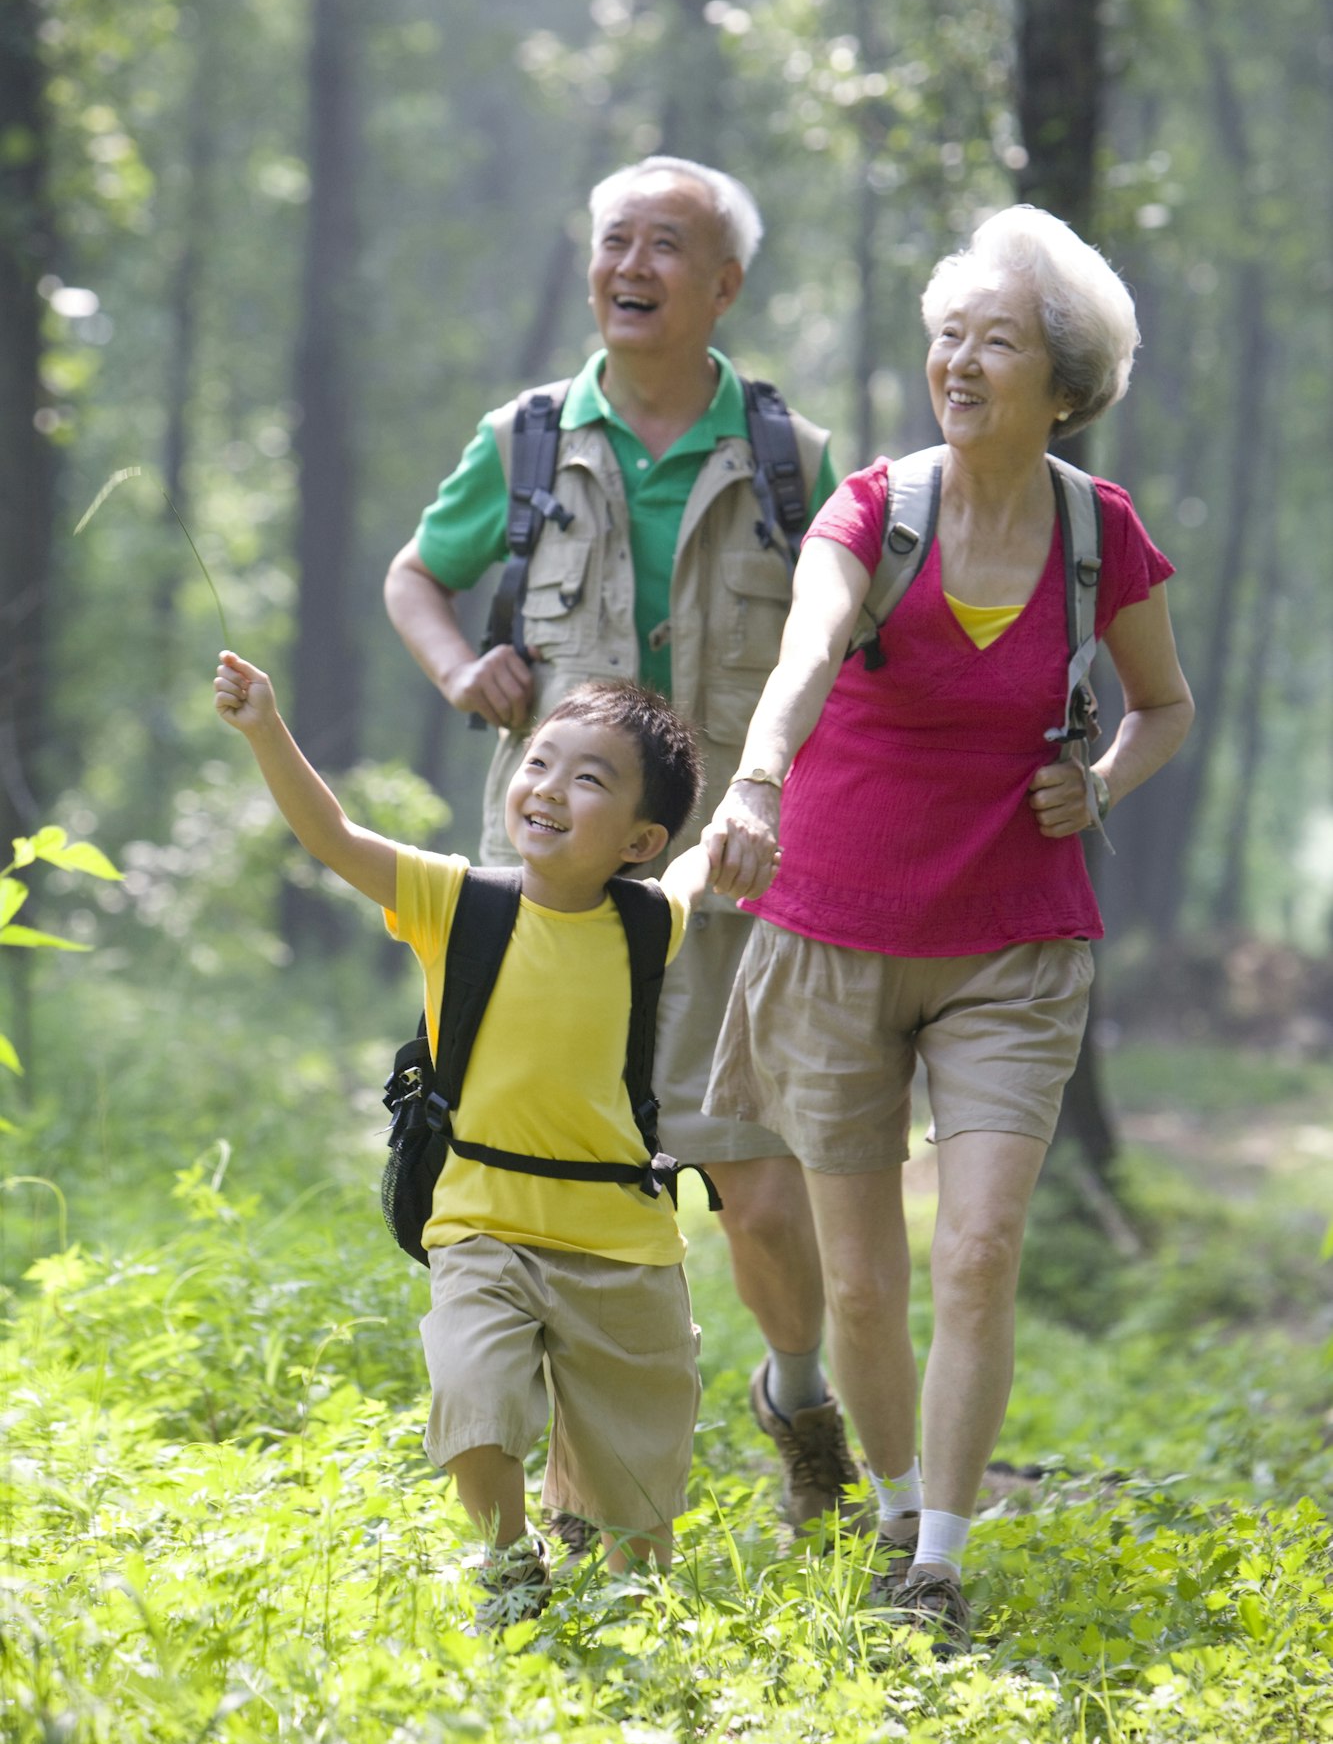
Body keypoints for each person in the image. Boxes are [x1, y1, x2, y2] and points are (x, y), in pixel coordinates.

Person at [703, 204, 1195, 1652]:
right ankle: (892, 1485)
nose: (959, 363)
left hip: (1014, 945)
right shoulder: (873, 509)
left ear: (1067, 381)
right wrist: (754, 778)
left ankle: (935, 1559)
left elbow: (1165, 707)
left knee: (976, 1251)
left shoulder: (1100, 536)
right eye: (946, 338)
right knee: (862, 1277)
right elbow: (804, 650)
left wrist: (1095, 782)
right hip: (833, 932)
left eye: (995, 341)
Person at [383, 155, 862, 1533]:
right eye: (613, 242)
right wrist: (456, 671)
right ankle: (575, 1502)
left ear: (725, 285)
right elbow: (419, 574)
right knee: (556, 1189)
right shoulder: (528, 437)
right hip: (554, 892)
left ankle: (795, 1389)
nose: (631, 267)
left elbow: (854, 655)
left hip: (731, 878)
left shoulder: (794, 459)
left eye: (667, 246)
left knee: (760, 1190)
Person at [214, 652, 718, 1628]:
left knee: (640, 1516)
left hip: (623, 1244)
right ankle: (507, 1562)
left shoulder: (645, 922)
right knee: (473, 1398)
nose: (549, 788)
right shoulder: (458, 901)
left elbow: (693, 875)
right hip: (481, 1225)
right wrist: (265, 725)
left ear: (639, 837)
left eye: (589, 777)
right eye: (540, 761)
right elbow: (332, 834)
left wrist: (733, 833)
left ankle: (617, 1596)